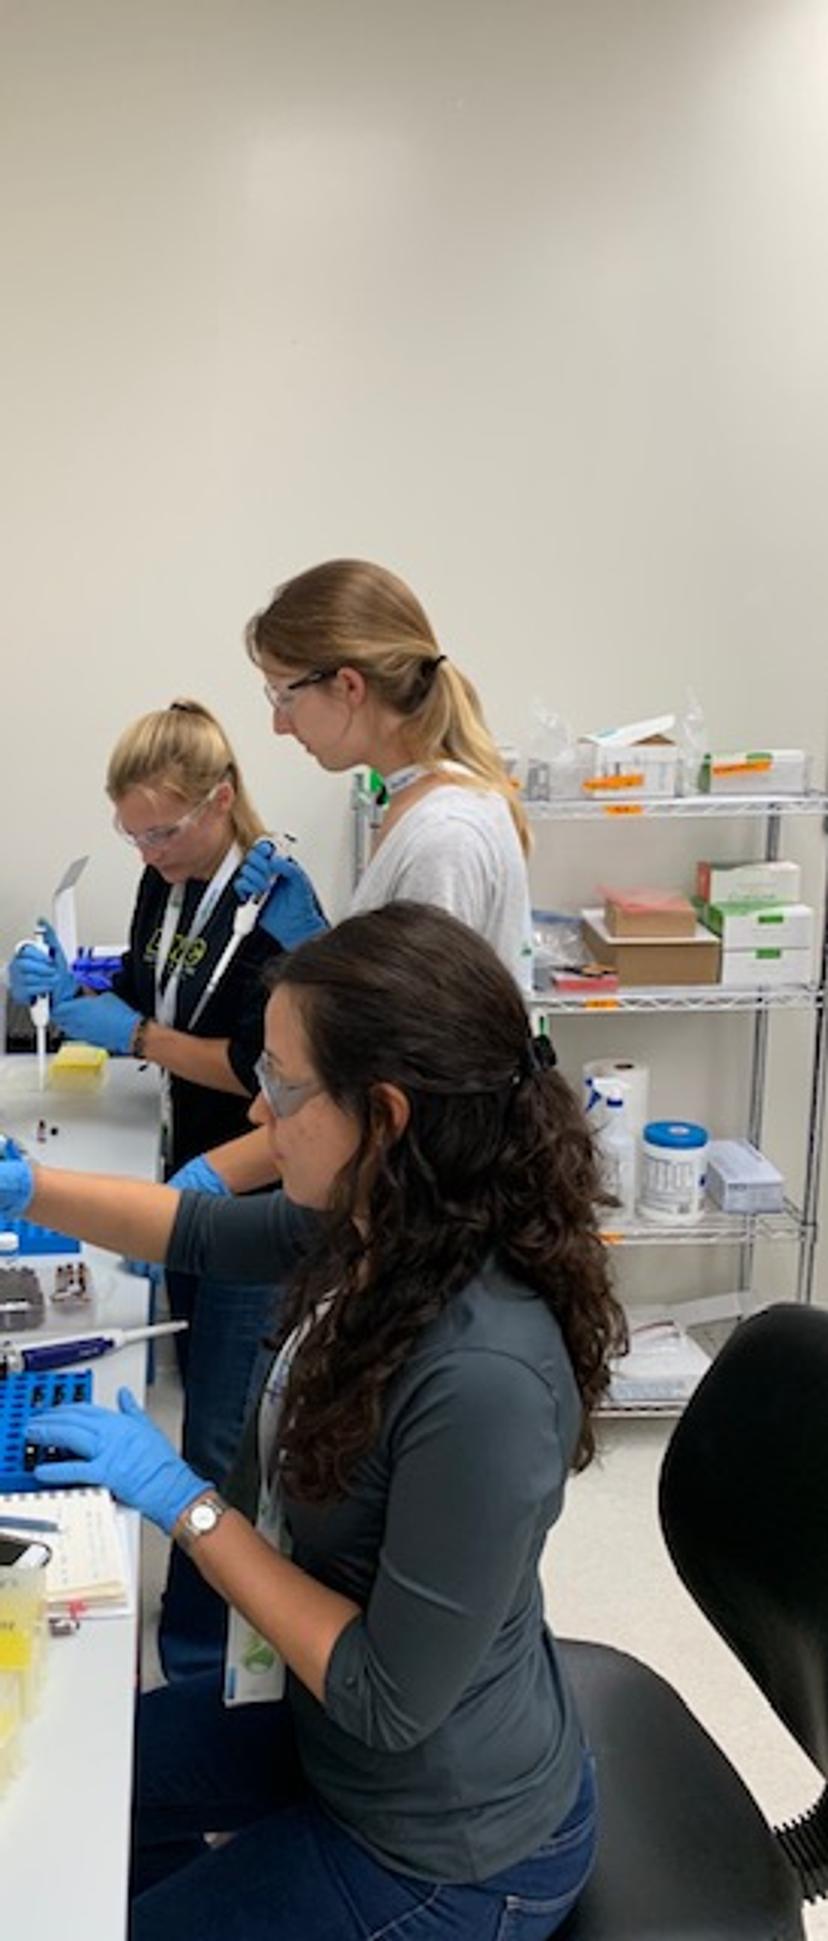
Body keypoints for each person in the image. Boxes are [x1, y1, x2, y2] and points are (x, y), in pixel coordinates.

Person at [0, 901, 625, 1941]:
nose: (254, 1116)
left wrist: (187, 1507)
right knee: (92, 1769)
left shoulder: (486, 1379)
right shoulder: (388, 1219)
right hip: (324, 1720)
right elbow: (201, 1228)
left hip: (444, 1843)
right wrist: (31, 1187)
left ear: (384, 1115)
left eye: (282, 1087)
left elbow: (387, 1698)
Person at [8, 696, 326, 1676]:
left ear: (222, 800)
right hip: (187, 1165)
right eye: (132, 833)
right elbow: (159, 985)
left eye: (164, 828)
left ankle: (200, 1648)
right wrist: (77, 988)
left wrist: (134, 1035)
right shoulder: (173, 880)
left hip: (260, 1183)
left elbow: (253, 1065)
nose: (147, 852)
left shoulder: (281, 913)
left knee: (223, 1430)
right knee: (193, 1375)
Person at [173, 556, 538, 1205]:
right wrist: (323, 944)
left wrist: (214, 1177)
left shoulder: (441, 837)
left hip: (429, 1198)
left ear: (347, 685)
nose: (279, 723)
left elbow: (402, 1077)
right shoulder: (410, 803)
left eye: (285, 694)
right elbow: (393, 1011)